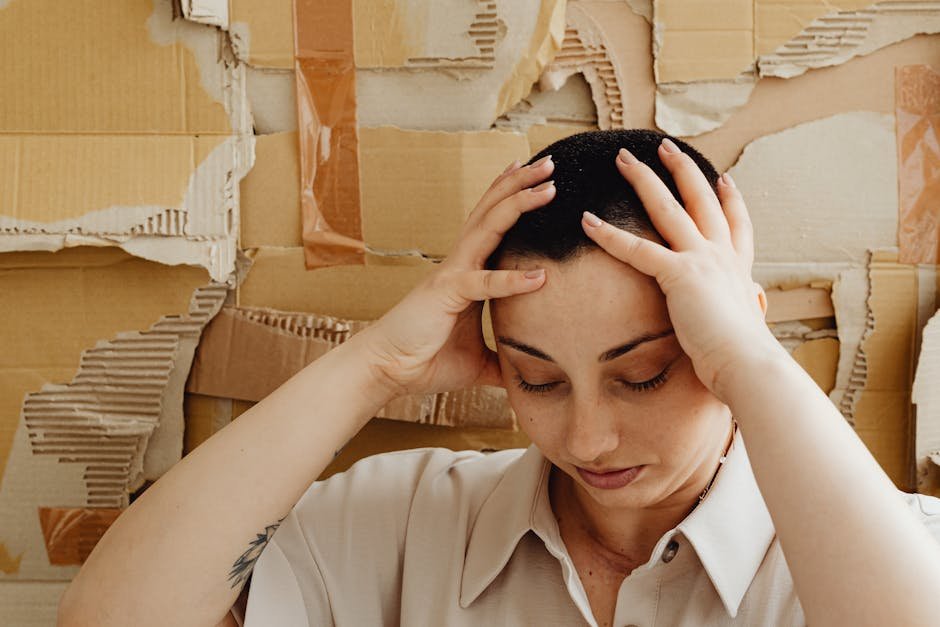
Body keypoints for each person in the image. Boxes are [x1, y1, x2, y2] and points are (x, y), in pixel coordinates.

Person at [59, 130, 940, 627]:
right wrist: (373, 367)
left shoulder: (892, 544)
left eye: (641, 376)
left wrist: (754, 361)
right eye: (539, 380)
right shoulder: (404, 522)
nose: (587, 439)